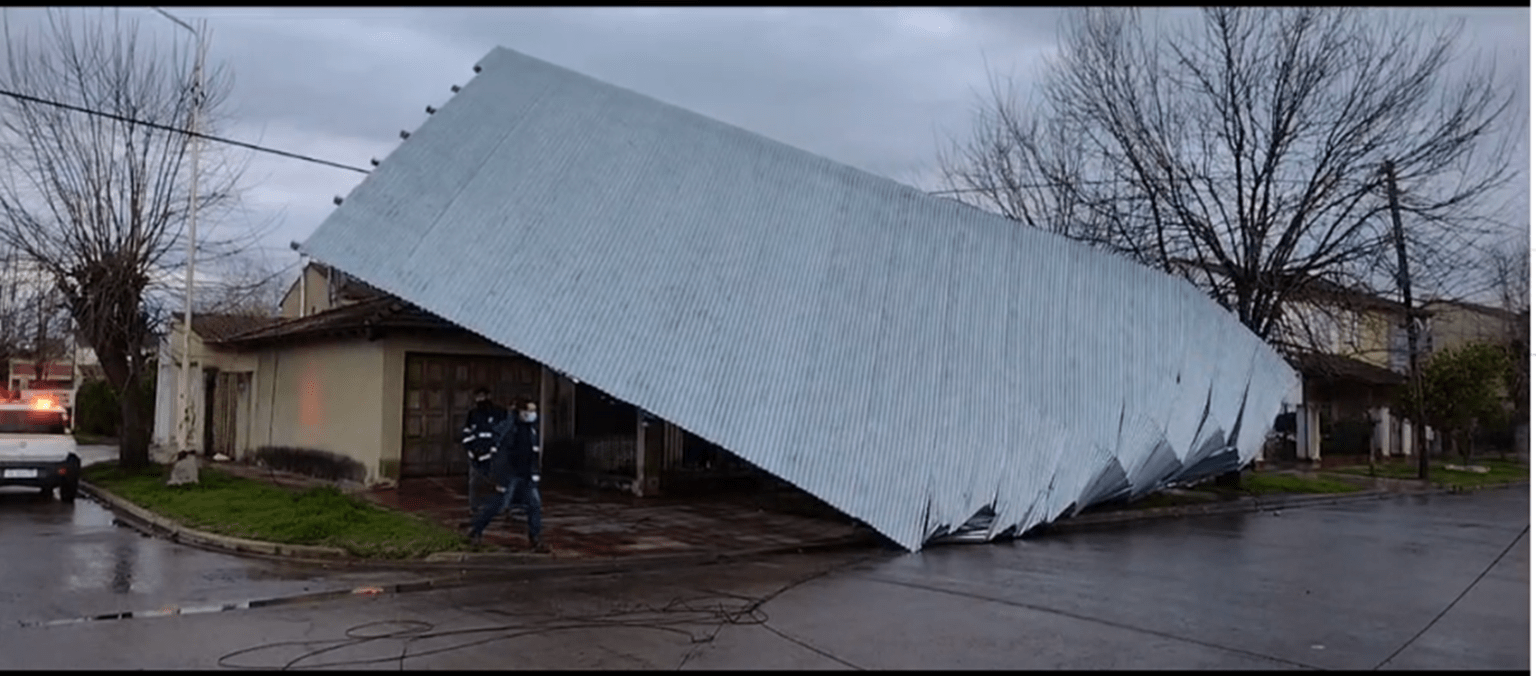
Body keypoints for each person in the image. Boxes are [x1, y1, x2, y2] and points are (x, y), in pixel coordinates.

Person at [467, 398, 547, 552]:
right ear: (520, 412)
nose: (531, 414)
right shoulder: (509, 429)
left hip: (526, 475)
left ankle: (535, 538)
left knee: (534, 505)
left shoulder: (531, 430)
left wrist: (535, 472)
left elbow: (534, 453)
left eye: (533, 411)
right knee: (498, 504)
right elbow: (501, 455)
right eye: (528, 411)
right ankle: (476, 530)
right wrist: (500, 478)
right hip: (509, 474)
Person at [460, 387, 507, 514]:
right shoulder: (473, 414)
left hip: (494, 454)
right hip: (476, 454)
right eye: (477, 397)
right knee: (474, 482)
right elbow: (467, 433)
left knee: (498, 482)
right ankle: (474, 507)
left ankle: (501, 507)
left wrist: (495, 449)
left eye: (482, 396)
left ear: (489, 396)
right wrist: (470, 450)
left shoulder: (499, 413)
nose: (480, 399)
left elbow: (503, 433)